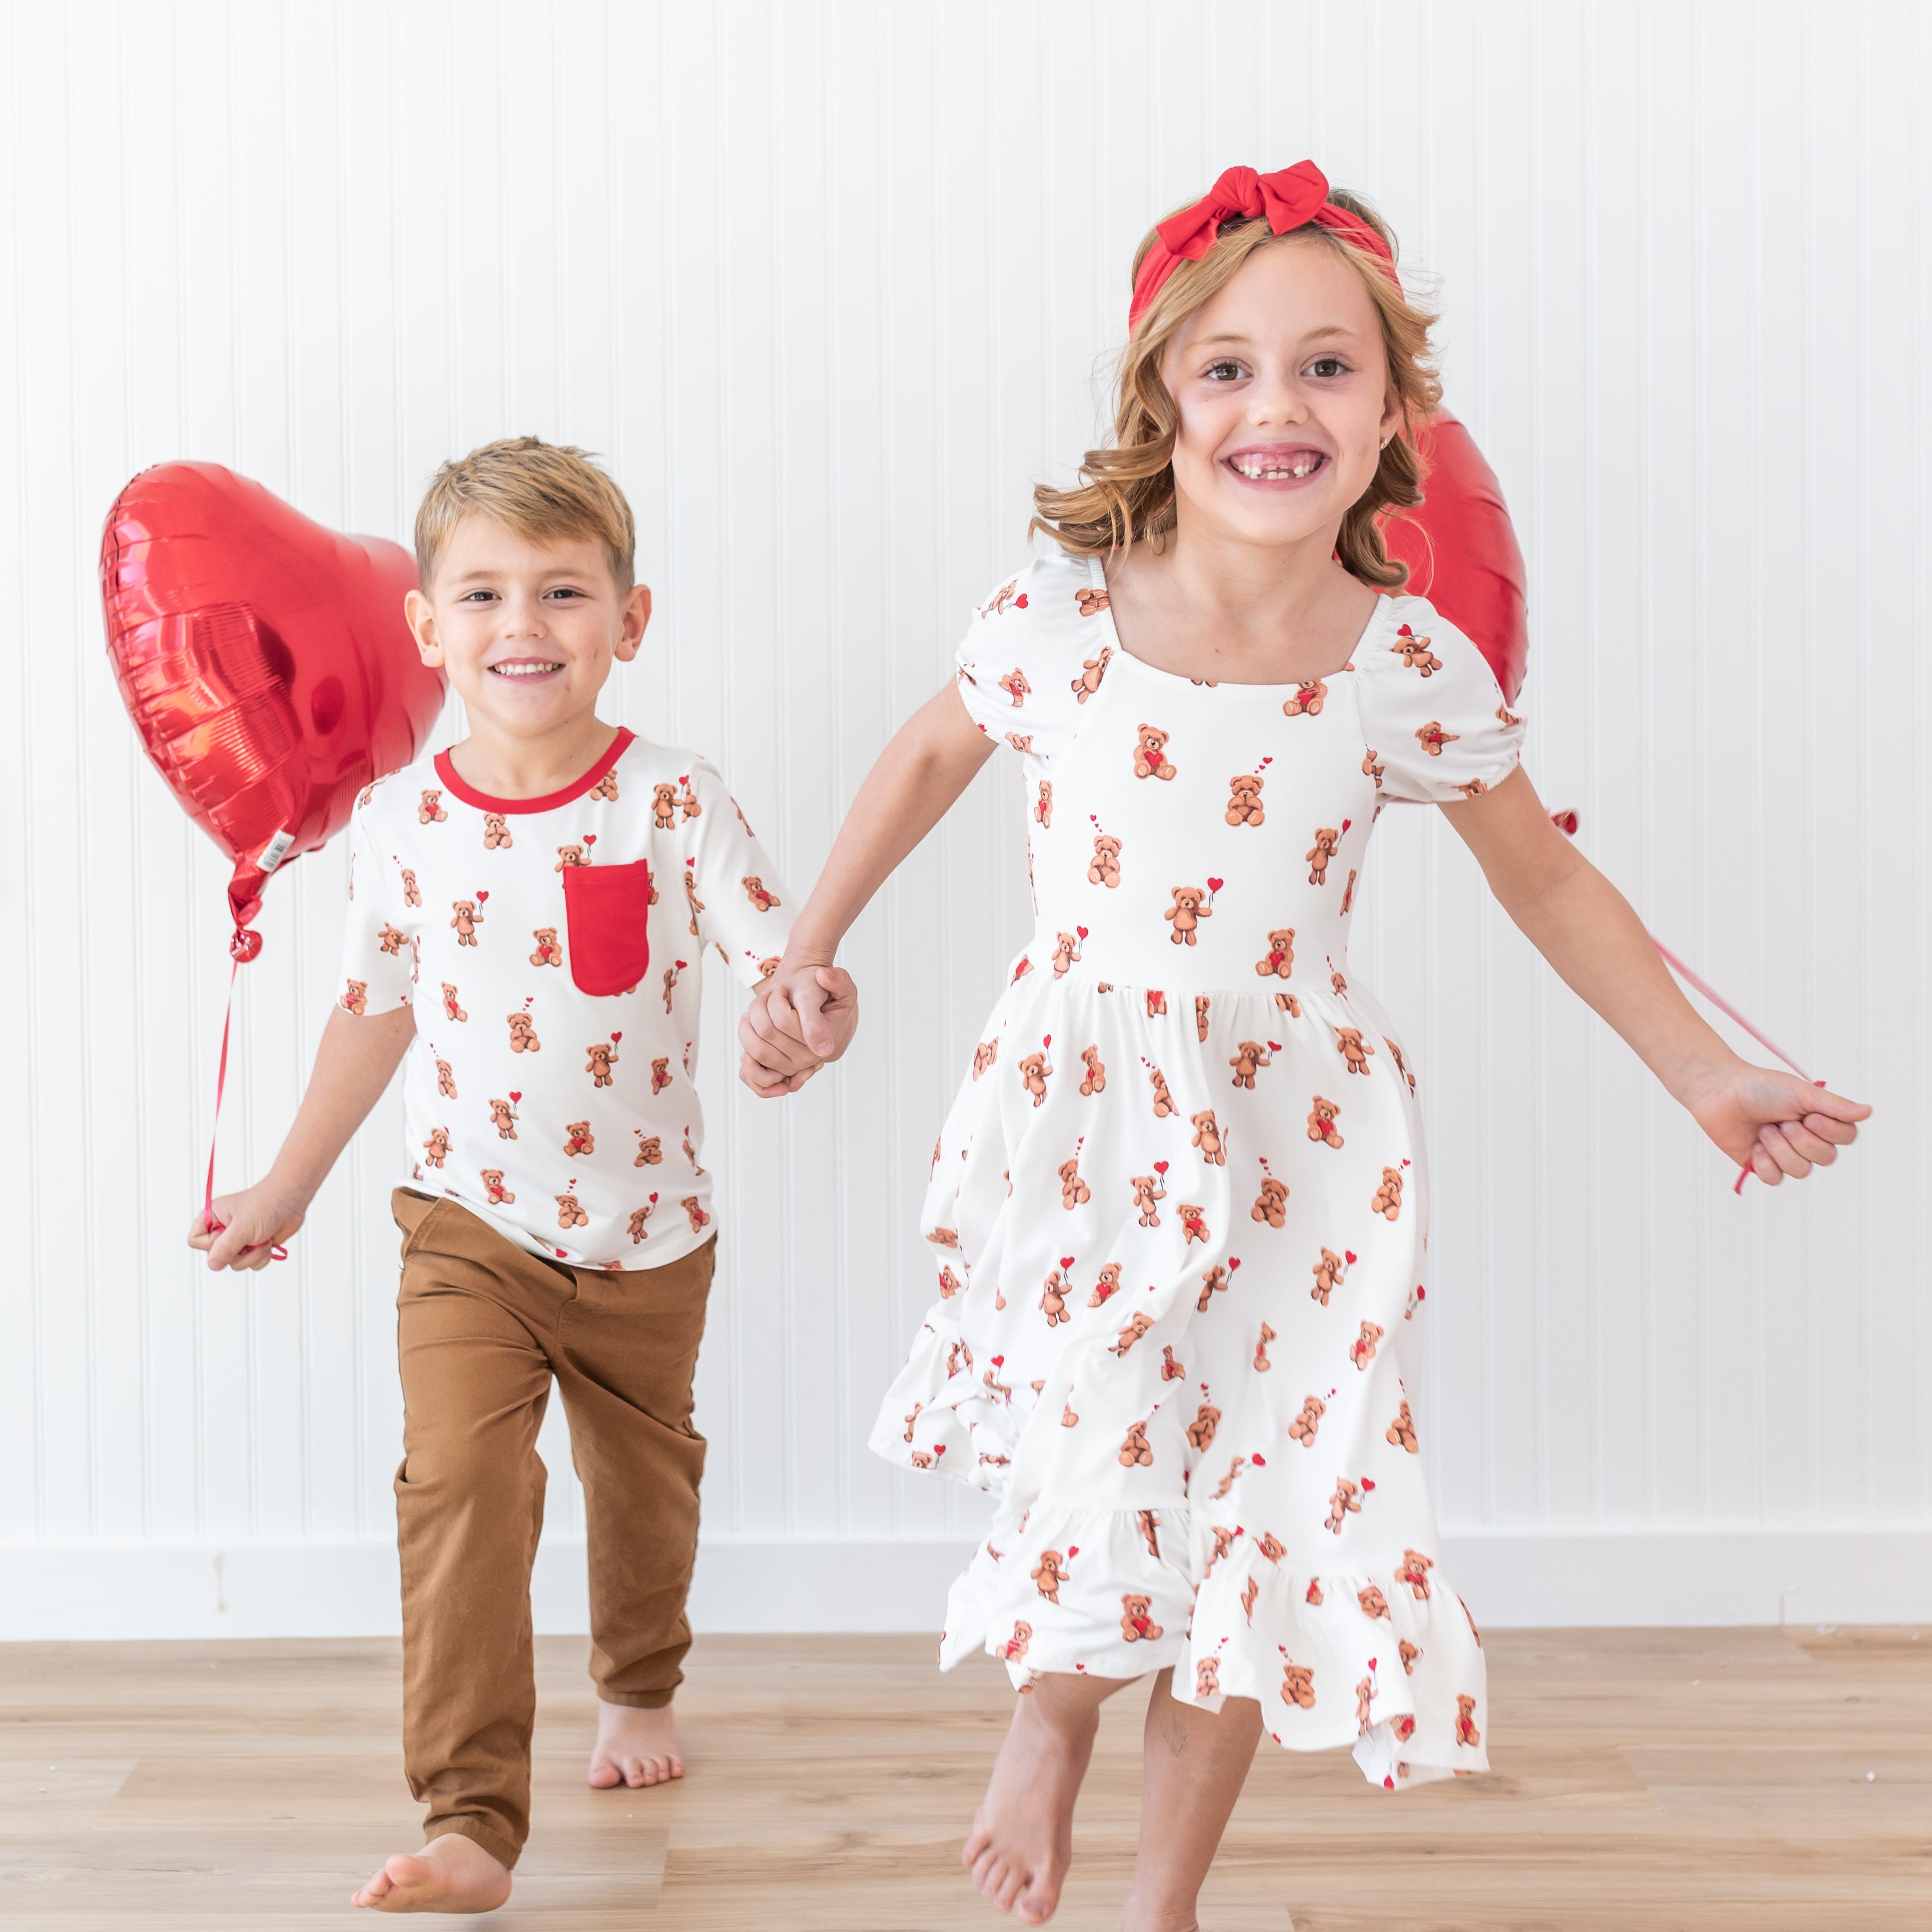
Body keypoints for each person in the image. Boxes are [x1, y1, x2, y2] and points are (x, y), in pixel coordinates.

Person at [739, 164, 1870, 1929]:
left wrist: (1703, 1071)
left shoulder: (1402, 658)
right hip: (1088, 1103)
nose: (1277, 406)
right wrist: (805, 952)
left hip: (1305, 1130)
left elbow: (1550, 883)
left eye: (1328, 369)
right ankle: (1045, 1720)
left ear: (1395, 411)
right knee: (1101, 1440)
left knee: (1274, 1487)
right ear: (1159, 403)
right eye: (1229, 369)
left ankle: (1162, 1900)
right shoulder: (1060, 608)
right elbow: (920, 766)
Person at [192, 437, 854, 1914]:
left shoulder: (673, 800)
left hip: (649, 1236)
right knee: (459, 1485)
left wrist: (809, 1011)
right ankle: (471, 1817)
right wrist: (282, 1186)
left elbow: (778, 954)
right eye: (482, 593)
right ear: (427, 627)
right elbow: (371, 1012)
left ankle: (638, 1678)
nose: (522, 626)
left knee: (643, 1490)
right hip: (464, 1226)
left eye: (562, 591)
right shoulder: (402, 827)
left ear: (631, 619)